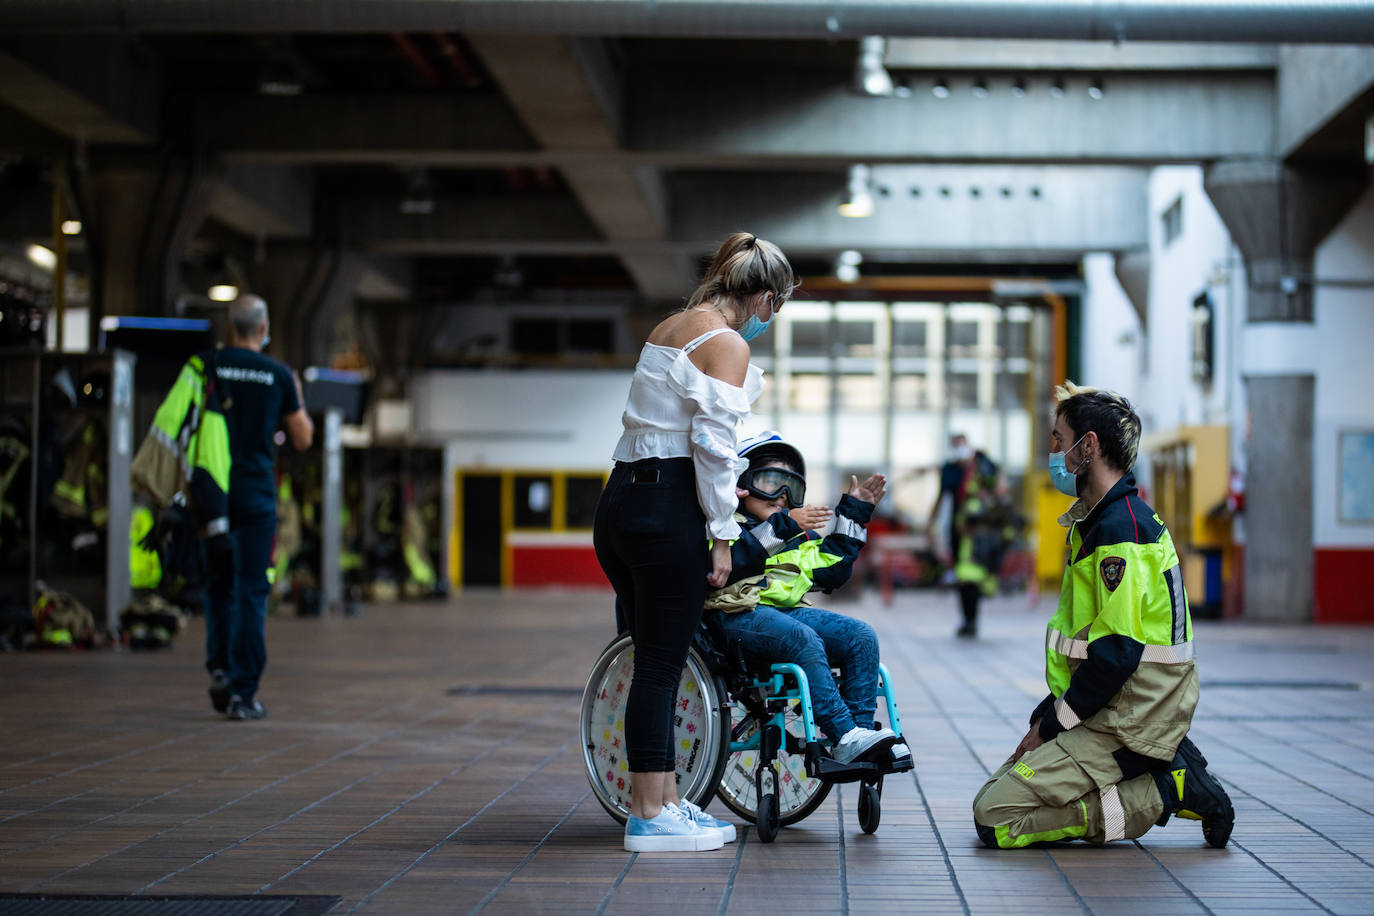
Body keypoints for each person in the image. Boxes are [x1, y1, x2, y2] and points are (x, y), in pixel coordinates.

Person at [592, 232, 795, 853]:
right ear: (761, 296)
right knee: (660, 664)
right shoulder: (727, 343)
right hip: (668, 508)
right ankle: (649, 815)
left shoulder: (672, 325)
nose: (770, 321)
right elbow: (713, 452)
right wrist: (725, 536)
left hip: (621, 502)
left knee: (651, 658)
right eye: (775, 308)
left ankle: (668, 800)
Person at [972, 382, 1234, 849]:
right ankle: (1156, 764)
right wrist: (1046, 717)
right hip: (1104, 707)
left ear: (1088, 446)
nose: (1054, 451)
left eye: (1058, 438)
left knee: (995, 817)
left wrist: (1052, 725)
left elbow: (1115, 655)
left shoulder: (1121, 531)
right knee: (1000, 788)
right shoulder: (1096, 522)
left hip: (1130, 716)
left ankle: (1164, 787)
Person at [705, 432, 905, 766]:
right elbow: (732, 562)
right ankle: (844, 734)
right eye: (771, 482)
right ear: (742, 484)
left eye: (791, 487)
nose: (782, 496)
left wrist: (855, 512)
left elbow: (832, 568)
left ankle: (859, 738)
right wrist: (782, 527)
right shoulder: (723, 527)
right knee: (802, 637)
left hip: (785, 617)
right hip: (736, 616)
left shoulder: (794, 536)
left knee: (861, 636)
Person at [205, 295, 314, 721]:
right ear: (264, 329)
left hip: (211, 490)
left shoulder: (207, 365)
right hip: (255, 494)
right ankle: (243, 693)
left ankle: (218, 668)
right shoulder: (277, 374)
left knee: (217, 585)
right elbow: (303, 439)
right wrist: (297, 397)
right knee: (251, 591)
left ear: (231, 327)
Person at [929, 433, 1001, 636]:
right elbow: (941, 496)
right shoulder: (950, 470)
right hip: (958, 530)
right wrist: (931, 524)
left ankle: (973, 618)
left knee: (974, 576)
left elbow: (998, 490)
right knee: (963, 576)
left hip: (980, 532)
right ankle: (968, 619)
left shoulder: (983, 466)